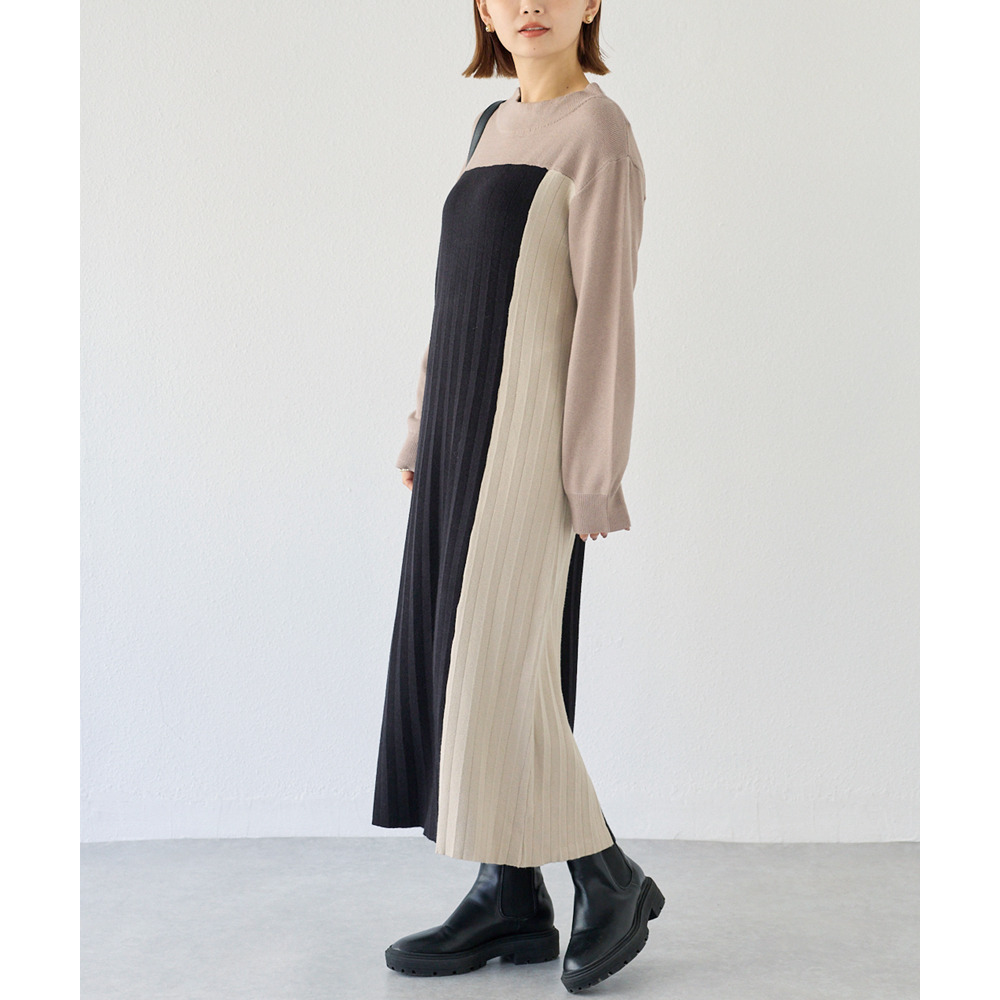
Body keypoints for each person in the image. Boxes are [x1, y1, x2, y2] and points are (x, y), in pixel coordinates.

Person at [372, 1, 663, 992]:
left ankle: (610, 878)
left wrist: (591, 474)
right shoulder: (489, 126)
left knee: (500, 674)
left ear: (592, 4)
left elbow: (604, 316)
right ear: (483, 10)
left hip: (527, 443)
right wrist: (422, 426)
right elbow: (451, 295)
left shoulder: (600, 135)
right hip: (458, 433)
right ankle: (510, 895)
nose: (529, 5)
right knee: (464, 667)